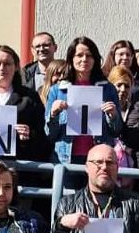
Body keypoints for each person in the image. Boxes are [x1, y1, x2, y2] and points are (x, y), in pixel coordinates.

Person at [45, 36, 123, 168]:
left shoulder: (108, 89)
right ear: (71, 59)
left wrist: (113, 116)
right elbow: (50, 135)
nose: (84, 59)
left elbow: (116, 131)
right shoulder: (57, 91)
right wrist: (53, 114)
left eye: (89, 55)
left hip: (98, 160)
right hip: (66, 159)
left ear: (95, 59)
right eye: (79, 55)